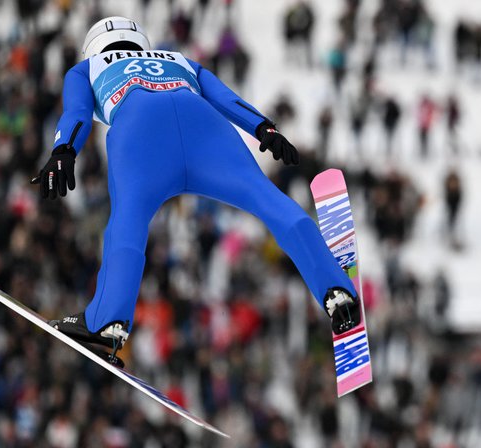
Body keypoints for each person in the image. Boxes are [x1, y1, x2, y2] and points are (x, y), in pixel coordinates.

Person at [31, 17, 360, 355]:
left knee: (127, 222)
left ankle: (108, 321)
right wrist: (265, 129)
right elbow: (227, 99)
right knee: (266, 199)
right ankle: (337, 291)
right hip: (204, 127)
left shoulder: (86, 68)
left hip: (141, 129)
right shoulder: (179, 59)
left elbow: (77, 113)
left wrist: (63, 150)